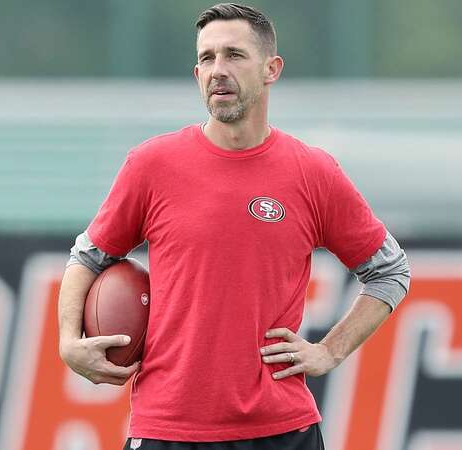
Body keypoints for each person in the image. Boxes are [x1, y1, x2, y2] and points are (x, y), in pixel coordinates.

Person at [58, 3, 410, 450]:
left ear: (271, 69)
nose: (217, 70)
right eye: (207, 58)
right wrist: (68, 341)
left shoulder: (312, 172)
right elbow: (88, 256)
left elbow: (389, 270)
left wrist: (329, 351)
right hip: (166, 428)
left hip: (282, 430)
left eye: (234, 55)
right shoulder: (151, 164)